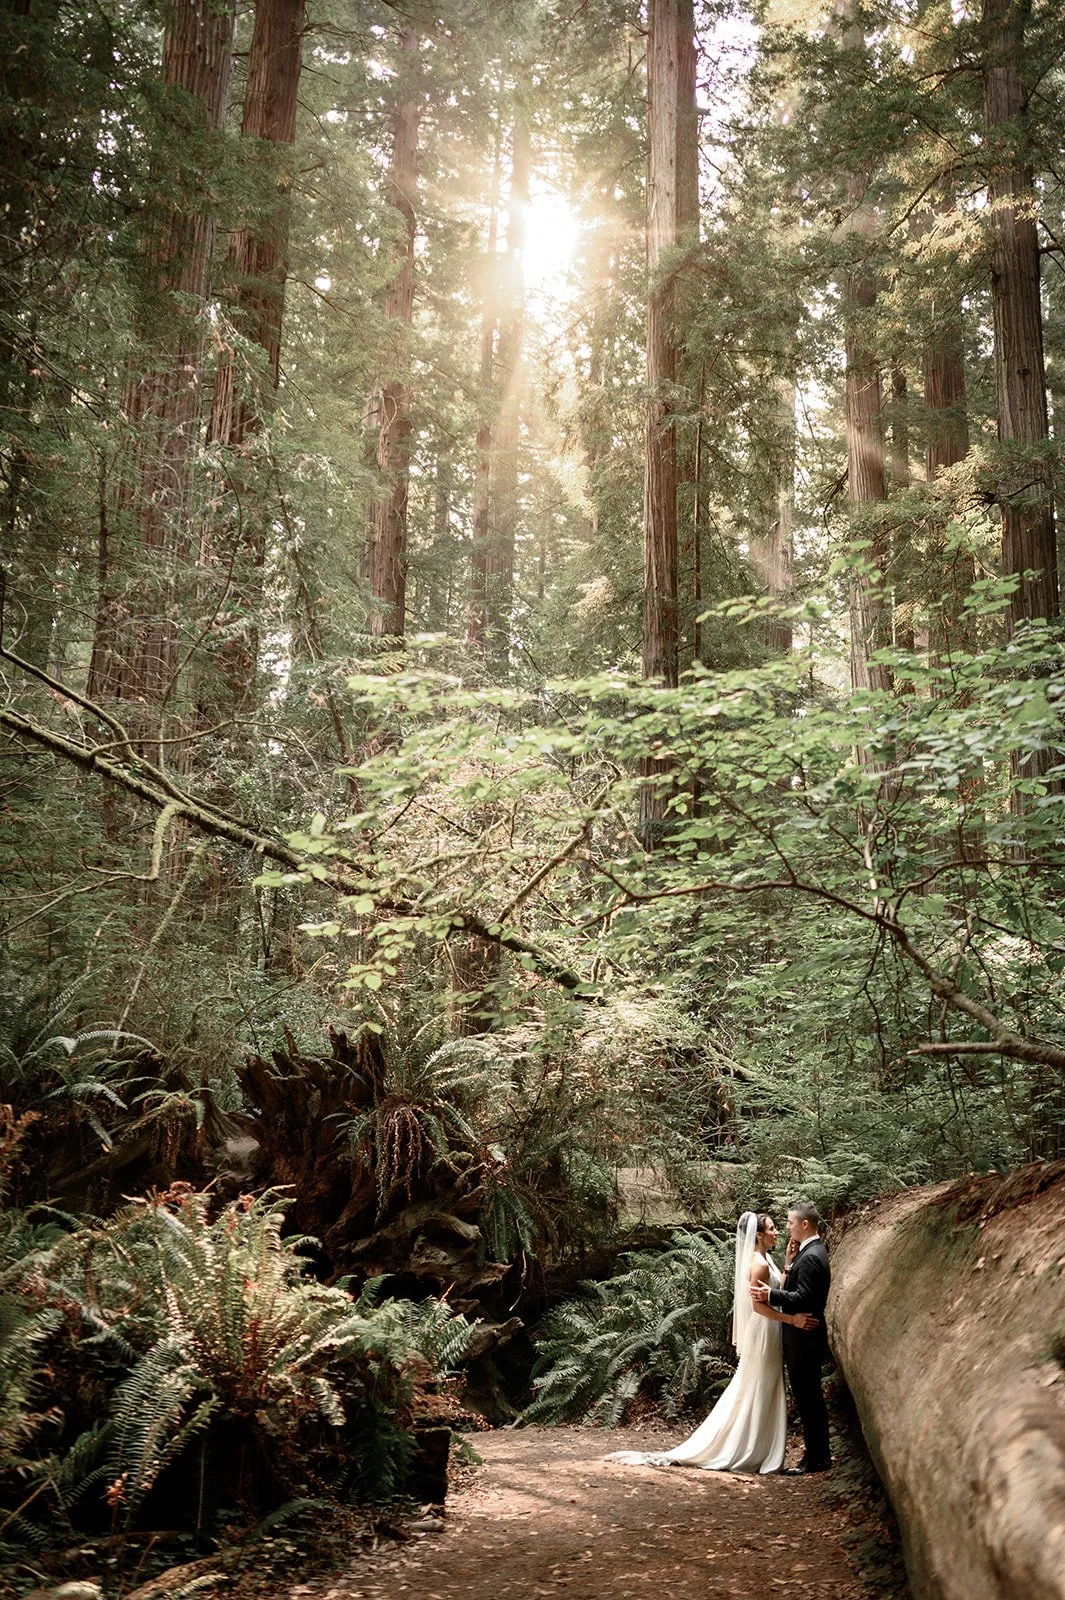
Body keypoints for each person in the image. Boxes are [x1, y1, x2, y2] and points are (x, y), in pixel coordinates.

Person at [605, 1211, 819, 1475]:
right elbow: (759, 1308)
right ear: (759, 1235)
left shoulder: (766, 1259)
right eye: (773, 1228)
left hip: (771, 1329)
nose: (778, 1232)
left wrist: (787, 1263)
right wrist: (792, 1320)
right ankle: (749, 1448)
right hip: (764, 1330)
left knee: (762, 1385)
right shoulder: (759, 1264)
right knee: (760, 1384)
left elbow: (778, 1291)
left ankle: (760, 1447)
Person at [750, 1199, 831, 1474]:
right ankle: (818, 1456)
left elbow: (804, 1297)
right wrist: (787, 1265)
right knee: (810, 1399)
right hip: (803, 1337)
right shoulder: (809, 1252)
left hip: (804, 1337)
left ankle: (816, 1459)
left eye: (790, 1222)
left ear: (804, 1224)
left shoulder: (811, 1256)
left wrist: (771, 1295)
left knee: (809, 1401)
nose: (787, 1227)